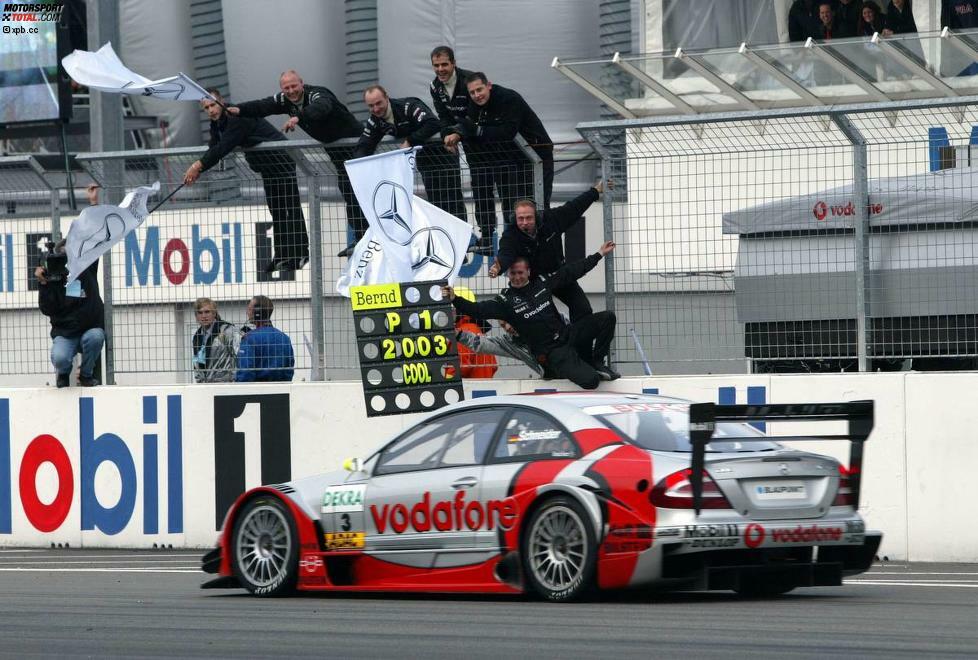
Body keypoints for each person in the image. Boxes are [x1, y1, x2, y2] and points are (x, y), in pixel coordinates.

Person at [442, 241, 620, 390]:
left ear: (528, 272)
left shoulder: (542, 283)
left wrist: (598, 255)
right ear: (507, 275)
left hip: (569, 335)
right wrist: (455, 299)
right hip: (553, 353)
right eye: (513, 273)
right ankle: (589, 370)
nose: (517, 277)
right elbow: (477, 310)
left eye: (520, 272)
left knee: (607, 318)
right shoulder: (505, 301)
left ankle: (597, 361)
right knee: (592, 381)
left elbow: (571, 272)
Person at [228, 70, 366, 258]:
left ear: (302, 83)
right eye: (287, 88)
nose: (291, 91)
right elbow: (263, 106)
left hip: (357, 146)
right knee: (348, 191)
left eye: (294, 86)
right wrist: (240, 109)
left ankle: (370, 236)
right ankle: (362, 238)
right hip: (336, 151)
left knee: (361, 191)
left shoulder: (317, 94)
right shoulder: (285, 100)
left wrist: (298, 117)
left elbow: (322, 107)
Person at [184, 88, 307, 272]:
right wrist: (200, 168)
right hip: (266, 166)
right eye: (206, 107)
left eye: (213, 105)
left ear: (222, 102)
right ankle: (282, 255)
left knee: (290, 206)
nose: (211, 110)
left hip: (280, 160)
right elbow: (214, 147)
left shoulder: (236, 118)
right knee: (277, 210)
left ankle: (300, 252)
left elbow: (224, 147)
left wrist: (198, 166)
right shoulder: (217, 123)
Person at [448, 72, 554, 255]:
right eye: (472, 93)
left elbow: (507, 131)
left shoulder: (508, 98)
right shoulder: (474, 103)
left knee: (537, 207)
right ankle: (516, 248)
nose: (477, 95)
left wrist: (478, 131)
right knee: (512, 206)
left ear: (489, 85)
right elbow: (468, 125)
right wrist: (458, 133)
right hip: (512, 161)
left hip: (537, 158)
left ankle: (544, 249)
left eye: (479, 90)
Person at [489, 180, 611, 322]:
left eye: (529, 218)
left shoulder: (551, 219)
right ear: (514, 219)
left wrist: (596, 191)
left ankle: (580, 343)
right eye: (520, 219)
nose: (524, 222)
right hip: (534, 283)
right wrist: (498, 267)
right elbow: (506, 253)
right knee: (545, 319)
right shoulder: (511, 234)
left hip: (558, 273)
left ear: (537, 216)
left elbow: (574, 208)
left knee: (583, 309)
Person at [353, 85, 466, 219]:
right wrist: (357, 168)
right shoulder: (375, 120)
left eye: (379, 103)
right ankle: (442, 239)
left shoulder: (408, 105)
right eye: (371, 106)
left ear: (387, 97)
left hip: (444, 154)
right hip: (424, 160)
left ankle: (465, 239)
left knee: (452, 200)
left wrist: (410, 141)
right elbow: (364, 146)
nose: (376, 109)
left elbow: (433, 124)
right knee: (436, 204)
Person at [36, 185, 105, 388]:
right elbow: (47, 309)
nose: (68, 258)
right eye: (63, 254)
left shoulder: (86, 264)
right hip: (65, 333)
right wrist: (44, 284)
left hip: (88, 328)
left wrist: (93, 203)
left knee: (96, 337)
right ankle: (63, 373)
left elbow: (96, 235)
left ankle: (85, 374)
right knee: (59, 357)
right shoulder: (54, 277)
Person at [429, 46, 481, 243]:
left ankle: (484, 235)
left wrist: (458, 133)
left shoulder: (469, 80)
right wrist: (447, 135)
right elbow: (443, 117)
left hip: (479, 139)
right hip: (456, 139)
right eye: (436, 65)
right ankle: (460, 237)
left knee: (481, 187)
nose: (440, 69)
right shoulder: (434, 86)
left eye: (444, 64)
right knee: (454, 189)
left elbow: (475, 114)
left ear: (453, 63)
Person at [455, 319, 546, 378]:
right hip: (486, 384)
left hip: (470, 387)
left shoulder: (466, 330)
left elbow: (462, 368)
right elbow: (494, 366)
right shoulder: (477, 330)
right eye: (503, 325)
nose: (507, 328)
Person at [235, 295, 294, 382]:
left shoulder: (249, 338)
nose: (247, 312)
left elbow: (245, 373)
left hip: (256, 392)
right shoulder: (284, 338)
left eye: (249, 309)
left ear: (257, 312)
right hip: (281, 391)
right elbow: (288, 371)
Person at [450, 287, 498, 378]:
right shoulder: (478, 330)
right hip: (486, 387)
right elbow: (494, 366)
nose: (449, 313)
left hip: (467, 389)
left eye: (452, 309)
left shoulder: (463, 333)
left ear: (460, 309)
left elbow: (460, 368)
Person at [191, 297, 238, 383]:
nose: (204, 316)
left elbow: (238, 356)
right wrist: (199, 382)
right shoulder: (197, 336)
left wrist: (234, 380)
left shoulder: (227, 331)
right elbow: (197, 364)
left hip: (226, 385)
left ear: (214, 313)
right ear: (196, 316)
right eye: (200, 313)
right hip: (206, 386)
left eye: (207, 312)